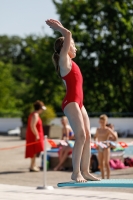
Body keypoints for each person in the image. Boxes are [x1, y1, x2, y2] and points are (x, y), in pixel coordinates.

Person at [45, 19, 100, 182]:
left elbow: (68, 36)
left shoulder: (71, 62)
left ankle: (85, 170)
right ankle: (75, 172)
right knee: (81, 136)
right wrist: (60, 28)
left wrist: (62, 28)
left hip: (79, 102)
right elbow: (67, 34)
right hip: (71, 102)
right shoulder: (64, 61)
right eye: (73, 45)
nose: (75, 47)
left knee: (88, 137)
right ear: (65, 48)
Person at [25, 100, 46, 172]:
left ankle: (33, 165)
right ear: (40, 108)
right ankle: (32, 166)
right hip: (34, 135)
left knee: (35, 150)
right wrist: (37, 135)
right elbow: (32, 126)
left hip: (34, 134)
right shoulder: (35, 115)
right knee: (33, 150)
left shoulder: (34, 114)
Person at [94, 114, 117, 179]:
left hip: (106, 147)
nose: (102, 123)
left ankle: (108, 178)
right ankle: (103, 178)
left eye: (103, 122)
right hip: (100, 147)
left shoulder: (108, 129)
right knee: (101, 164)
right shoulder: (98, 129)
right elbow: (95, 137)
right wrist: (96, 143)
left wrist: (110, 142)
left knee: (106, 163)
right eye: (101, 122)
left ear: (106, 122)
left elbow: (115, 138)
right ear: (99, 122)